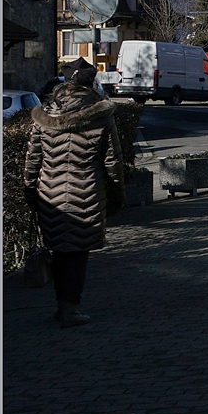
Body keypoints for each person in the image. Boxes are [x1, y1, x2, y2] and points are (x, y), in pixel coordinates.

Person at [23, 57, 126, 328]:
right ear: (90, 83)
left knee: (59, 248)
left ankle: (62, 305)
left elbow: (33, 159)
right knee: (78, 252)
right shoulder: (102, 114)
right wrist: (117, 196)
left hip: (50, 192)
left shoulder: (45, 114)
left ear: (64, 83)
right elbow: (113, 161)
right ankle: (70, 307)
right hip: (87, 192)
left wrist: (30, 192)